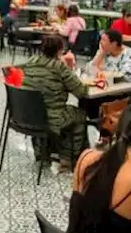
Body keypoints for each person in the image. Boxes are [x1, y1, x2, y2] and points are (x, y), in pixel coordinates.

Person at [23, 35, 89, 172]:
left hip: (29, 115)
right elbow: (81, 91)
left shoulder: (30, 61)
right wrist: (70, 69)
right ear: (59, 51)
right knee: (80, 114)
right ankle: (73, 156)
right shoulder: (59, 67)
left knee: (63, 112)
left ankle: (42, 152)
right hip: (53, 118)